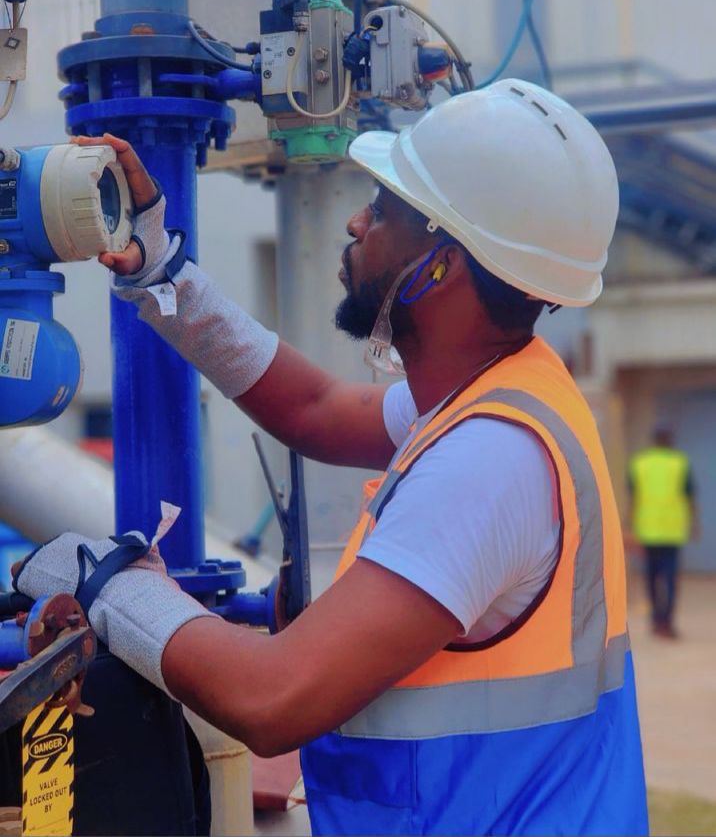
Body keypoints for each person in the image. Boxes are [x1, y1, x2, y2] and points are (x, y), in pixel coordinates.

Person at [13, 80, 648, 836]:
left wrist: (109, 586)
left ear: (441, 265)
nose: (356, 221)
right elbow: (314, 410)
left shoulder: (488, 462)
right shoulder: (503, 389)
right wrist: (163, 275)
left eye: (383, 210)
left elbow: (273, 698)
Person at [628, 427, 699, 639]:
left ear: (654, 441)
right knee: (669, 577)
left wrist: (628, 527)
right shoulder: (680, 463)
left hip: (647, 530)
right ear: (670, 441)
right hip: (672, 531)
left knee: (651, 576)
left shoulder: (639, 463)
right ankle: (666, 623)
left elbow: (633, 499)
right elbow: (690, 496)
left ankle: (655, 620)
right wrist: (694, 523)